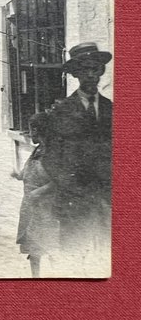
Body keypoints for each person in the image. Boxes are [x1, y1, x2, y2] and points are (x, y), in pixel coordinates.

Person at [40, 42, 112, 274]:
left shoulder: (112, 109)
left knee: (107, 261)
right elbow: (50, 157)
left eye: (95, 69)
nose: (91, 75)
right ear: (76, 73)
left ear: (101, 71)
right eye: (84, 70)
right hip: (74, 201)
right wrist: (72, 187)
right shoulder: (61, 110)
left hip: (107, 199)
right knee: (73, 260)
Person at [16, 112, 59, 277]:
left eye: (30, 130)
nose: (29, 134)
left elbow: (58, 181)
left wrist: (38, 192)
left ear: (37, 130)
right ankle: (36, 278)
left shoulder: (53, 153)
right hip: (32, 208)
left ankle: (61, 277)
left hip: (47, 208)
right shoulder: (37, 150)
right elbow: (27, 171)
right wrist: (19, 175)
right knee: (33, 247)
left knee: (51, 246)